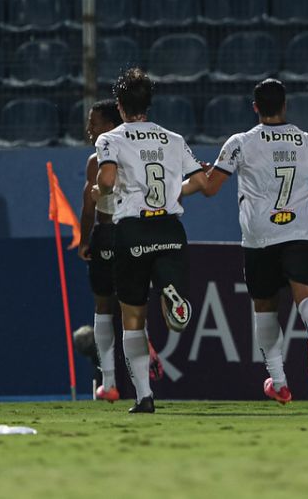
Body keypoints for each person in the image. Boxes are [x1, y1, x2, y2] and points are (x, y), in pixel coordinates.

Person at [191, 78, 308, 404]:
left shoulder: (241, 142)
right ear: (285, 105)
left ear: (255, 108)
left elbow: (210, 188)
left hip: (259, 238)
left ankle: (278, 382)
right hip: (300, 233)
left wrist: (199, 172)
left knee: (264, 307)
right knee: (306, 296)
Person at [95, 68, 207, 413]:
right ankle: (170, 292)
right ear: (149, 104)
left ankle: (144, 395)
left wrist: (102, 187)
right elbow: (201, 182)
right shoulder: (173, 139)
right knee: (165, 287)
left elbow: (109, 178)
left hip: (132, 231)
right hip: (169, 228)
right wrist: (176, 190)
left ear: (120, 105)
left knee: (132, 317)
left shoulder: (110, 139)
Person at [77, 99, 163, 403]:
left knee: (103, 306)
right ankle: (145, 348)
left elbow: (90, 206)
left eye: (95, 122)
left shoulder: (97, 159)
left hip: (109, 231)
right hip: (140, 233)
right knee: (134, 303)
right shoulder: (142, 154)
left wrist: (84, 239)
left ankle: (109, 382)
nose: (90, 128)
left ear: (111, 125)